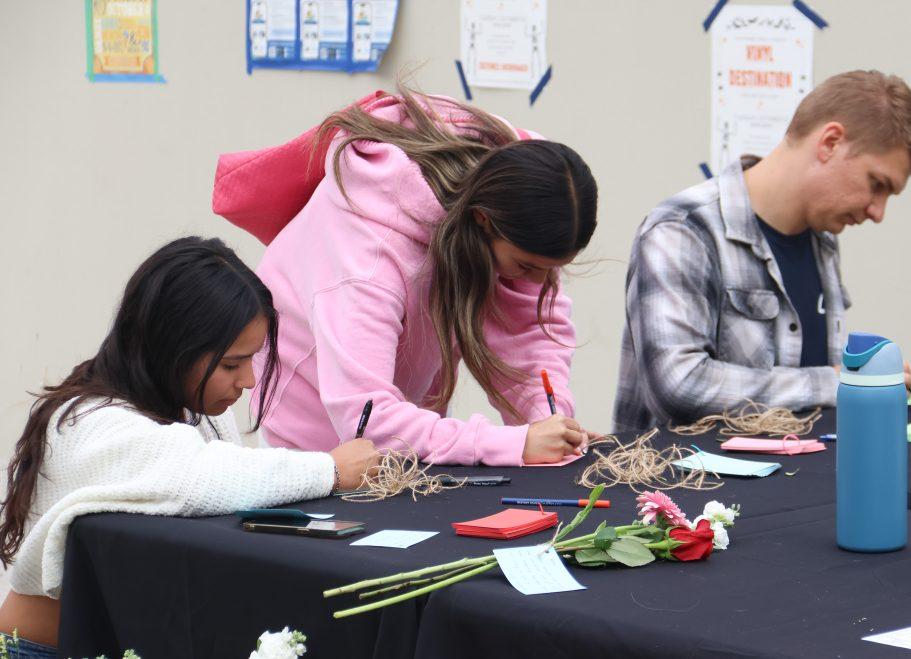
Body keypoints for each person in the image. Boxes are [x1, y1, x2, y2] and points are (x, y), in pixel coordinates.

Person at [0, 237, 380, 652]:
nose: (249, 380)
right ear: (170, 348)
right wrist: (331, 470)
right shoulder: (88, 424)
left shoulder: (199, 411)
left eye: (252, 359)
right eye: (232, 364)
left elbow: (232, 479)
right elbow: (200, 476)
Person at [212, 87, 599, 465]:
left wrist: (548, 421)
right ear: (482, 220)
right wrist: (510, 444)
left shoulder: (515, 193)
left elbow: (527, 332)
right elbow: (366, 421)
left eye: (548, 272)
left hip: (400, 434)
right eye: (525, 267)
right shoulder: (369, 257)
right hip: (321, 445)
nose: (534, 282)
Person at [614, 70, 911, 431]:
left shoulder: (821, 238)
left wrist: (883, 382)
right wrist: (839, 383)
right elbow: (680, 385)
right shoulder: (683, 229)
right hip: (687, 486)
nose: (878, 212)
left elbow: (813, 389)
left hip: (796, 481)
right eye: (876, 184)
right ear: (830, 142)